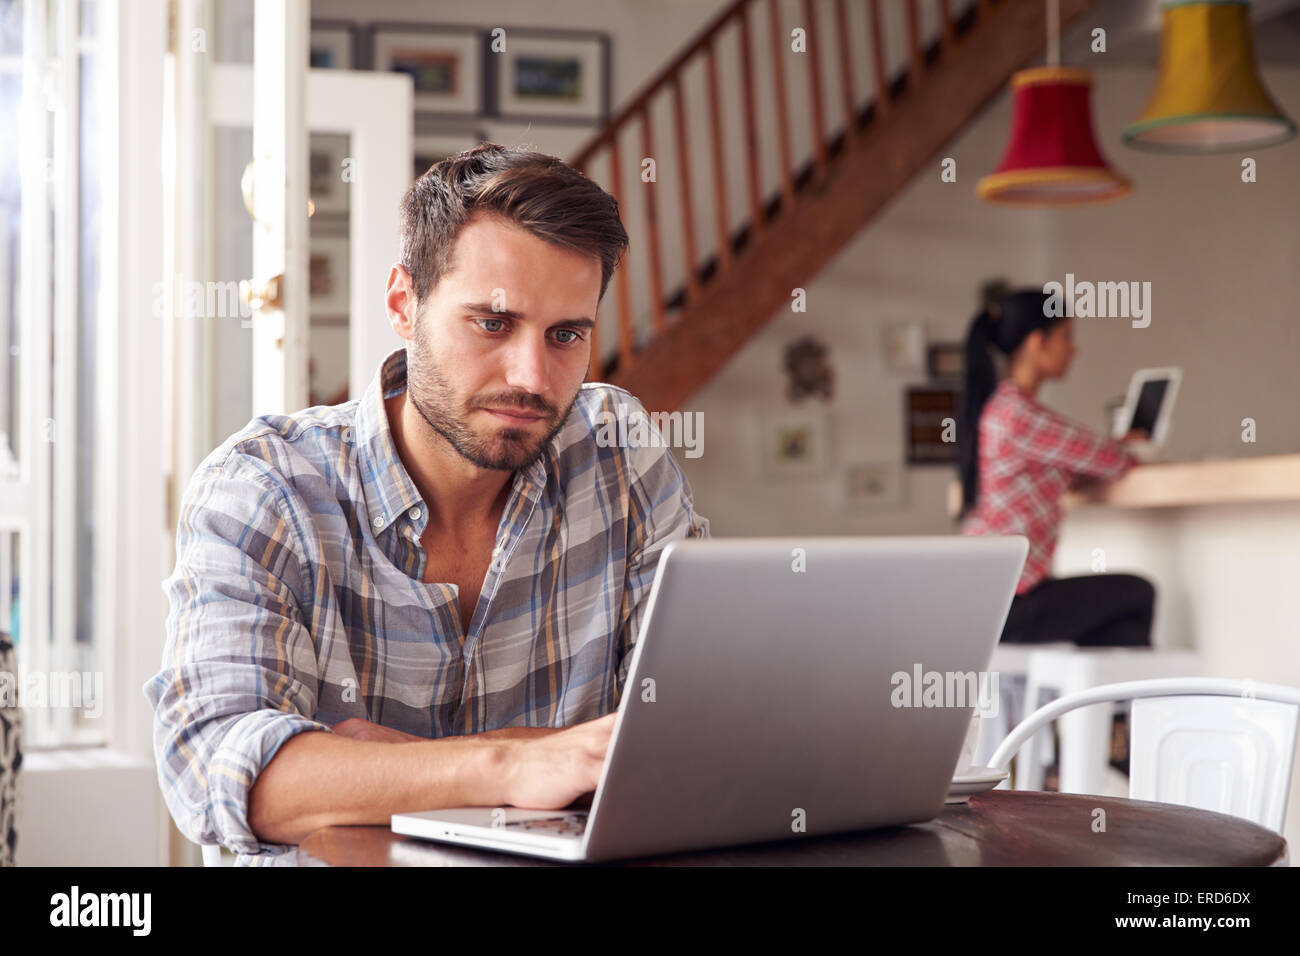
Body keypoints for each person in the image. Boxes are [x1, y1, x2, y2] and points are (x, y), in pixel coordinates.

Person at [143, 144, 709, 865]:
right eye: (493, 324)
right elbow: (218, 771)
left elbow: (687, 729)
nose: (532, 376)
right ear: (403, 303)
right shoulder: (264, 486)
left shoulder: (621, 454)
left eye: (566, 335)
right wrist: (511, 765)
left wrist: (367, 767)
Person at [957, 288, 1155, 647]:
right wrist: (1133, 444)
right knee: (1138, 594)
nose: (1074, 349)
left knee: (1113, 609)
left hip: (983, 599)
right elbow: (1115, 460)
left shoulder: (1001, 408)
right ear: (1037, 342)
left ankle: (1096, 700)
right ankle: (1114, 702)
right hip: (1010, 604)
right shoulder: (1020, 415)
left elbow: (1070, 463)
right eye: (1066, 337)